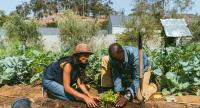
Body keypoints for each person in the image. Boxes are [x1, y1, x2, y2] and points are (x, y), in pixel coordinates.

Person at [42, 43, 101, 107]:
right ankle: (49, 91)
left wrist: (89, 95)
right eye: (84, 55)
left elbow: (80, 83)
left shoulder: (80, 64)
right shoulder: (68, 65)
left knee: (76, 95)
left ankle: (55, 90)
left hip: (59, 80)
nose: (86, 58)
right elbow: (67, 87)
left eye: (88, 56)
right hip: (50, 80)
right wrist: (84, 97)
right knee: (70, 98)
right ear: (78, 55)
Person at [101, 43, 157, 107]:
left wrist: (127, 96)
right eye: (114, 60)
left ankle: (153, 86)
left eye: (118, 60)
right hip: (128, 69)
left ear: (122, 52)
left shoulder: (136, 56)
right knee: (105, 59)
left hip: (143, 70)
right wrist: (118, 92)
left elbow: (137, 78)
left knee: (140, 96)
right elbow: (116, 74)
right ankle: (106, 89)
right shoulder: (114, 58)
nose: (116, 62)